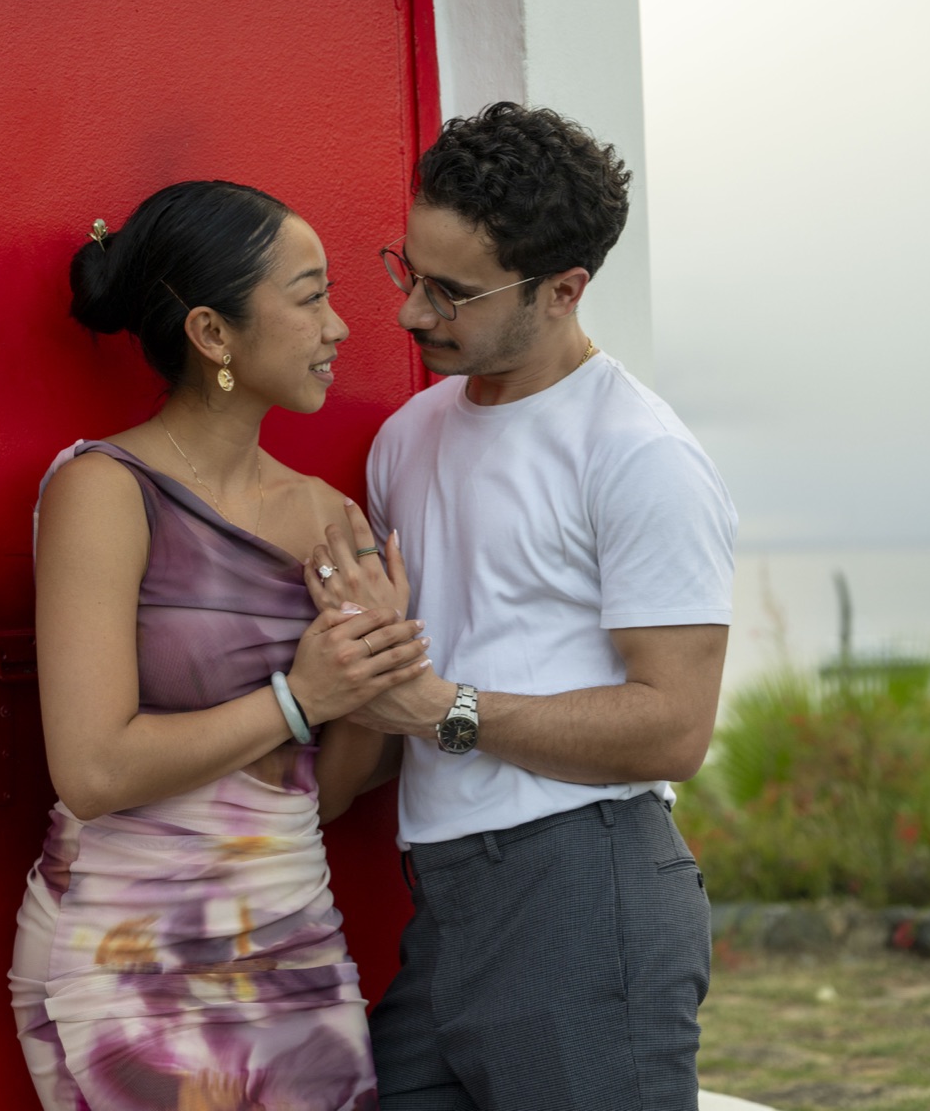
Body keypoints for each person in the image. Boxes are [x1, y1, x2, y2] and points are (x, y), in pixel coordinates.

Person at [9, 179, 430, 1111]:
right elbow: (92, 769)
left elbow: (326, 791)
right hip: (129, 956)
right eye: (311, 296)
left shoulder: (331, 516)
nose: (342, 330)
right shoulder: (104, 490)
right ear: (213, 334)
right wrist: (301, 696)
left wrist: (376, 668)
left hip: (295, 943)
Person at [352, 103, 737, 1111]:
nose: (410, 312)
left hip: (582, 887)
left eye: (451, 291)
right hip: (441, 903)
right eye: (407, 269)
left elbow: (673, 727)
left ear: (564, 289)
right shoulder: (404, 439)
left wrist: (445, 709)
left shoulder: (639, 454)